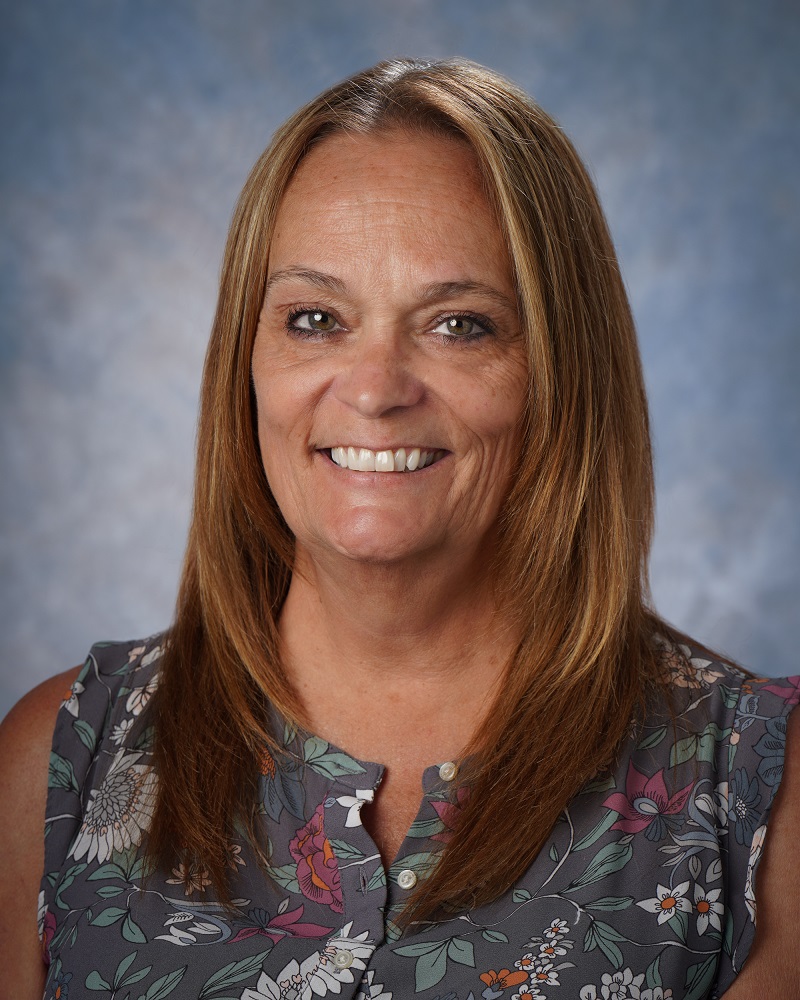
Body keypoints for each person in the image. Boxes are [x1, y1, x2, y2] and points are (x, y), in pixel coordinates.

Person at [0, 58, 797, 1000]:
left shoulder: (753, 802)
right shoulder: (58, 764)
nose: (376, 390)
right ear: (244, 365)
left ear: (561, 373)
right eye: (314, 318)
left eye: (460, 325)